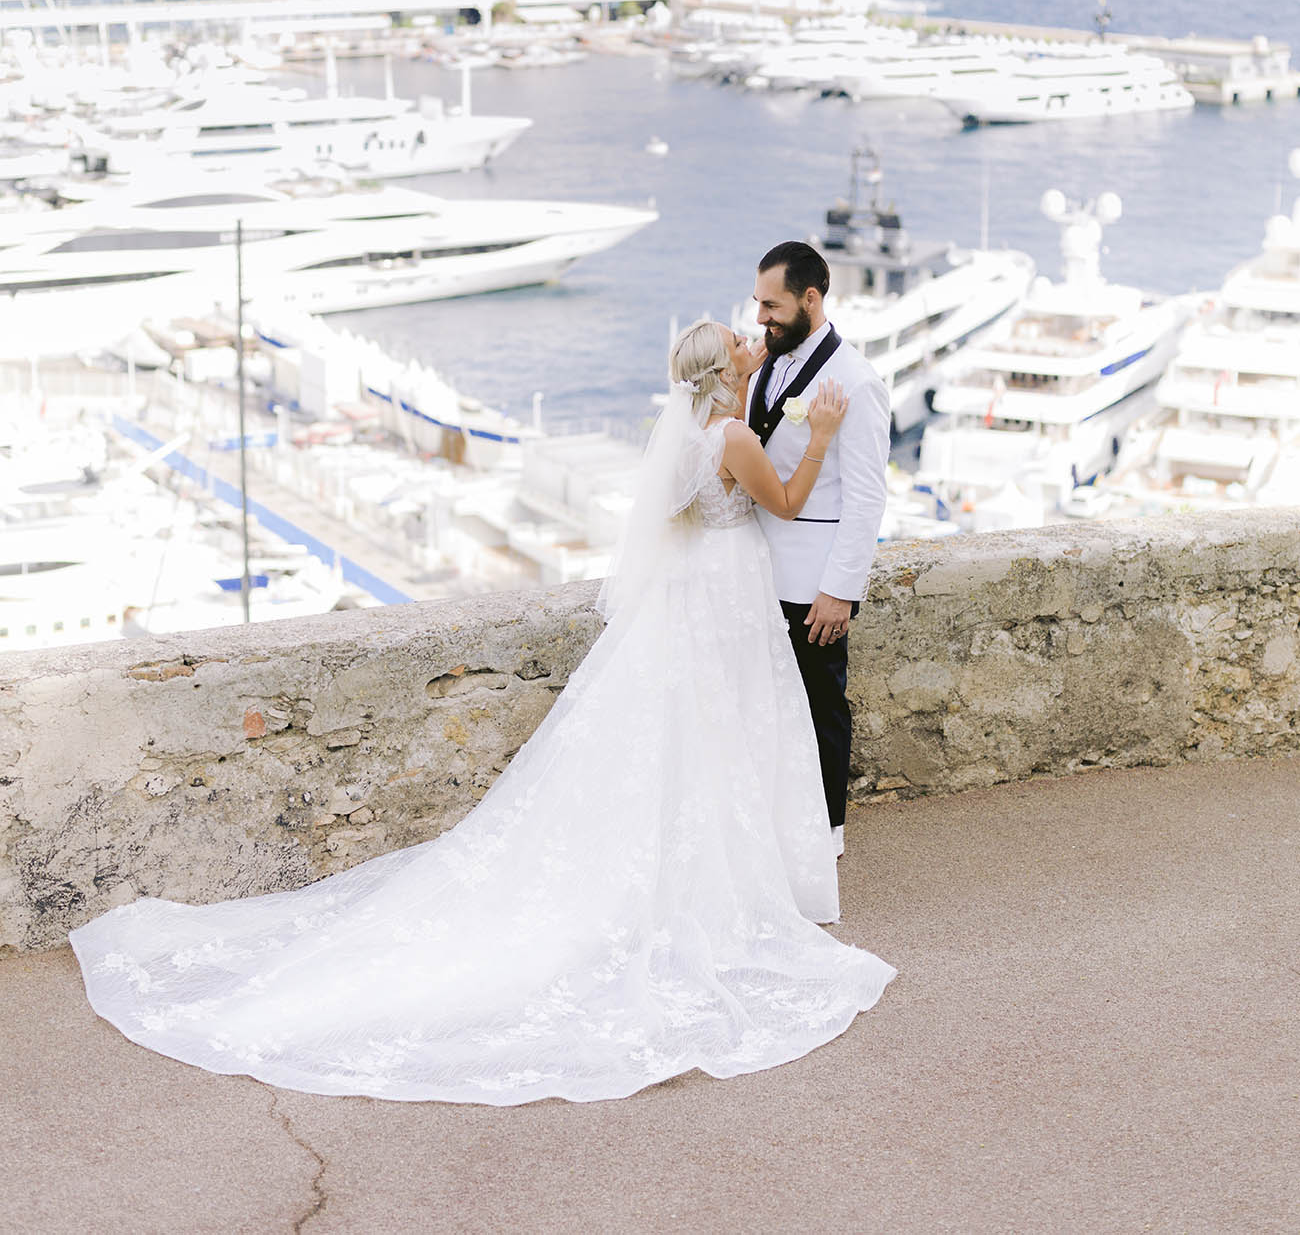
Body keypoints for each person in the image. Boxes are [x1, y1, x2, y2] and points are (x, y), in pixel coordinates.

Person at [69, 320, 895, 1106]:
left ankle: (711, 862)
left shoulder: (688, 436)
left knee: (700, 732)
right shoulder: (737, 438)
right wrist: (820, 431)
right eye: (741, 340)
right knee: (723, 727)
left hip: (695, 593)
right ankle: (733, 875)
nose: (754, 341)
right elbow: (784, 502)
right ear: (727, 372)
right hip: (729, 590)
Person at [736, 241, 891, 855]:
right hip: (753, 568)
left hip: (811, 581)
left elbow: (866, 497)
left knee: (819, 707)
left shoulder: (856, 380)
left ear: (810, 298)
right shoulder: (765, 364)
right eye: (756, 305)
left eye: (771, 306)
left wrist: (839, 591)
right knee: (765, 706)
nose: (760, 319)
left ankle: (826, 835)